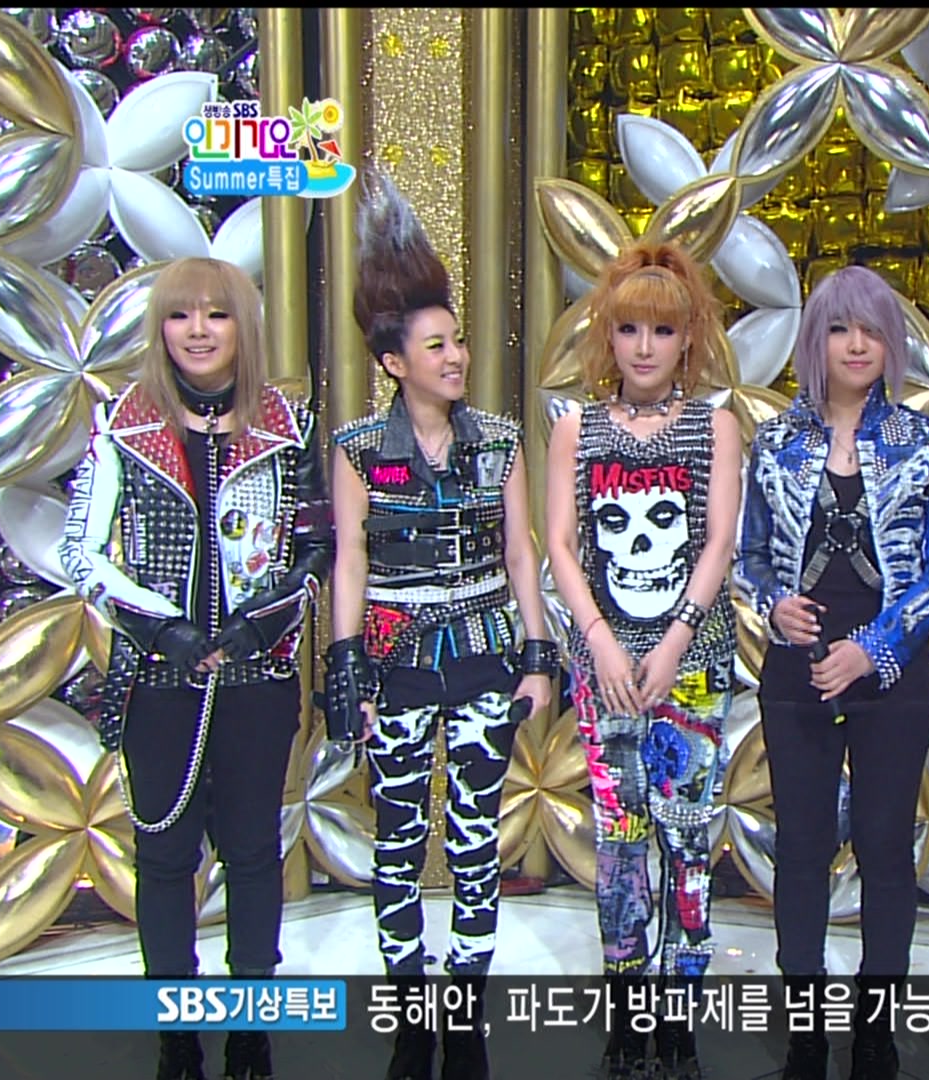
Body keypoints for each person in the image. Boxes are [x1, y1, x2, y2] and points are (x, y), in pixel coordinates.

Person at [59, 256, 332, 1080]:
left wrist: (257, 626)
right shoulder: (122, 422)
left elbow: (317, 545)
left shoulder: (288, 423)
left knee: (252, 851)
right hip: (159, 676)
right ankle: (174, 1029)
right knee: (166, 857)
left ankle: (251, 1023)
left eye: (217, 314)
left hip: (258, 675)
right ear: (161, 328)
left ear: (243, 327)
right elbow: (80, 549)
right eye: (182, 315)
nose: (200, 331)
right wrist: (161, 627)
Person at [323, 172, 557, 1080]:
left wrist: (537, 656)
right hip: (396, 663)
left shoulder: (497, 438)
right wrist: (346, 667)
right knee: (395, 838)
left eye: (458, 340)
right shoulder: (356, 449)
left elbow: (521, 551)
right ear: (394, 363)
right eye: (437, 345)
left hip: (485, 658)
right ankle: (409, 1011)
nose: (457, 356)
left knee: (473, 838)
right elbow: (350, 559)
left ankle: (464, 1011)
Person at [736, 266, 929, 1080]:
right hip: (796, 670)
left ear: (891, 342)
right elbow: (749, 555)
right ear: (815, 341)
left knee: (885, 846)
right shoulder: (775, 441)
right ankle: (805, 1028)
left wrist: (877, 644)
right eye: (840, 329)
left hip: (892, 674)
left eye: (871, 330)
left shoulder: (926, 441)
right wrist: (774, 607)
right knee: (800, 847)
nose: (857, 344)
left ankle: (876, 1028)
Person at [545, 240, 741, 1080]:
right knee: (620, 841)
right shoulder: (576, 428)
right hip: (605, 666)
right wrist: (596, 637)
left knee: (688, 837)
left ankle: (680, 1020)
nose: (645, 347)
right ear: (608, 335)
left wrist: (674, 639)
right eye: (629, 329)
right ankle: (627, 1018)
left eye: (662, 330)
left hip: (692, 658)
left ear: (688, 335)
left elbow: (719, 542)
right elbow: (560, 544)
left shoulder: (716, 425)